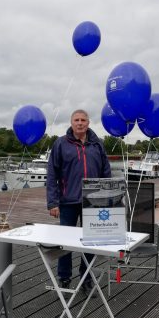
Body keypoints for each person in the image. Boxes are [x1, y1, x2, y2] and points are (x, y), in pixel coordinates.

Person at [46, 109, 111, 294]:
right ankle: (64, 277)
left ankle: (86, 277)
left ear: (88, 123)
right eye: (77, 120)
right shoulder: (60, 144)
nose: (80, 123)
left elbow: (106, 173)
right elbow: (52, 175)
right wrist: (53, 202)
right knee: (65, 242)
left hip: (93, 201)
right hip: (67, 201)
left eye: (83, 120)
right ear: (71, 122)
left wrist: (108, 199)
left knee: (91, 241)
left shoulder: (97, 144)